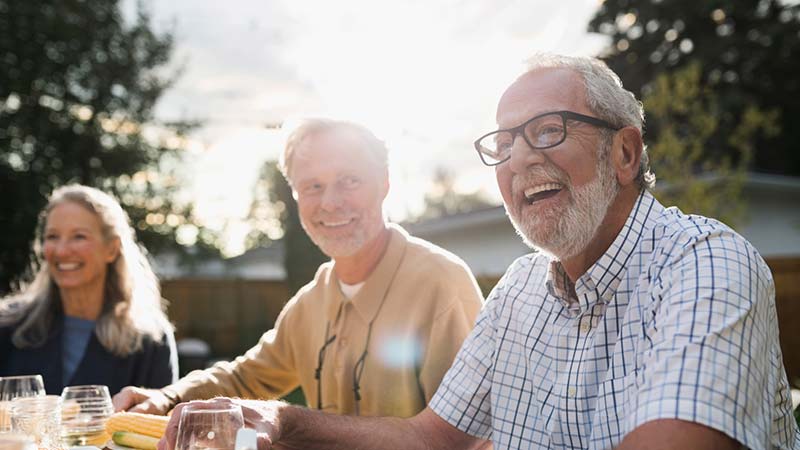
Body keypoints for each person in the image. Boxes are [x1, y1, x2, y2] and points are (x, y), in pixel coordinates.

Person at [158, 54, 800, 450]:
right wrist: (277, 421)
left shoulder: (706, 264)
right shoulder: (521, 288)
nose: (521, 157)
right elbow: (431, 437)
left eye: (549, 130)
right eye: (505, 143)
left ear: (625, 153)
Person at [114, 118, 484, 418]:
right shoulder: (312, 301)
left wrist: (293, 428)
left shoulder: (441, 284)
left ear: (385, 184)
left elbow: (467, 437)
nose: (330, 202)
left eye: (349, 181)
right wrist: (168, 397)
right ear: (295, 197)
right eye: (312, 187)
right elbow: (245, 378)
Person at [0, 184, 178, 396]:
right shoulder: (8, 326)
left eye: (79, 236)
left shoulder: (150, 340)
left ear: (111, 249)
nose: (62, 250)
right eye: (53, 236)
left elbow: (158, 423)